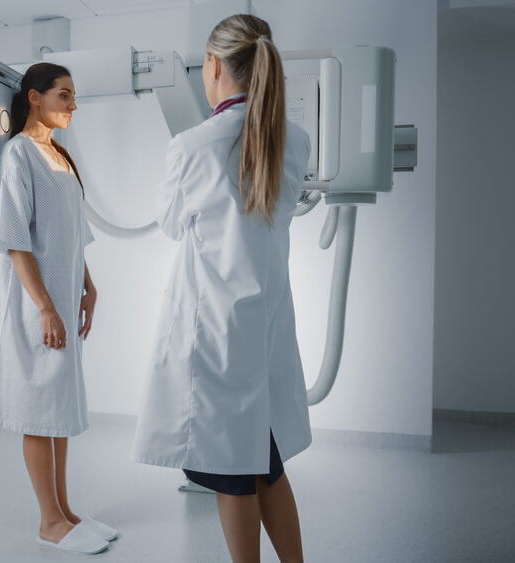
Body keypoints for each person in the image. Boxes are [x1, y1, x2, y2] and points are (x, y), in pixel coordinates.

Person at [132, 15, 313, 563]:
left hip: (213, 333)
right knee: (268, 465)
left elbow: (168, 221)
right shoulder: (295, 143)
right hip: (268, 325)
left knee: (235, 473)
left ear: (212, 67)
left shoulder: (191, 147)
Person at [0, 62, 116, 555]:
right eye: (64, 95)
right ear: (35, 98)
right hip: (34, 306)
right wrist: (44, 306)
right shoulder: (19, 155)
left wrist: (88, 286)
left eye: (74, 96)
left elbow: (74, 234)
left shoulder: (59, 156)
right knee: (39, 412)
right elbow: (16, 241)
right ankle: (48, 522)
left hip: (62, 300)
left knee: (58, 410)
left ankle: (66, 511)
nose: (72, 105)